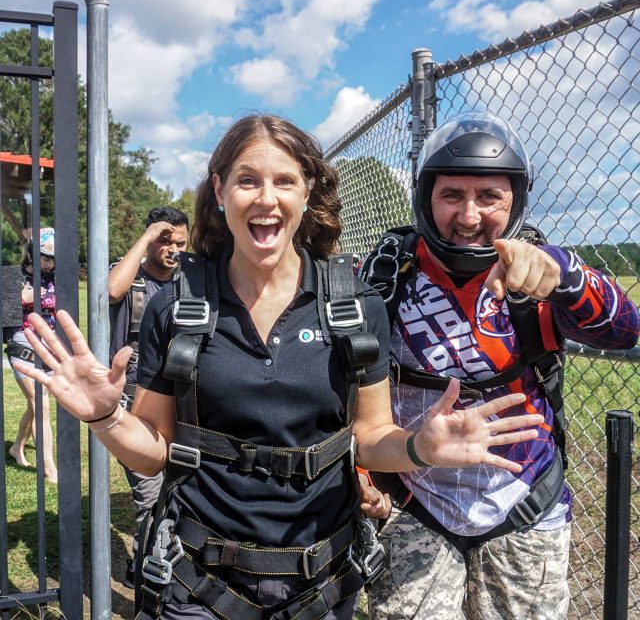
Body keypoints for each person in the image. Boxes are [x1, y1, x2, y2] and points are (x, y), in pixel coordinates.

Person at [14, 114, 545, 620]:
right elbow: (155, 452)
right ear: (220, 190)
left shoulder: (357, 308)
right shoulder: (178, 307)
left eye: (284, 181)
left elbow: (371, 433)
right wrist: (107, 417)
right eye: (248, 181)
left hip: (321, 582)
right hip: (199, 581)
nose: (266, 199)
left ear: (307, 191)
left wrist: (416, 448)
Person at [361, 111, 640, 620]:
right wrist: (363, 470)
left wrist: (566, 277)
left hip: (525, 503)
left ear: (515, 201)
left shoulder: (538, 275)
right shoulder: (387, 274)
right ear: (425, 198)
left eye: (488, 196)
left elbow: (624, 330)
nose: (469, 217)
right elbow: (345, 384)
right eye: (452, 196)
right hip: (415, 500)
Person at [108, 206, 189, 588]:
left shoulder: (189, 284)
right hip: (135, 403)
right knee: (150, 494)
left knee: (180, 493)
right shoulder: (133, 280)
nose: (173, 249)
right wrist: (145, 239)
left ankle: (150, 565)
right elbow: (111, 290)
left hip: (181, 402)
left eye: (180, 243)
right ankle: (150, 582)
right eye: (166, 240)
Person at [7, 227, 58, 484]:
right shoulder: (13, 277)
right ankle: (49, 469)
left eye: (53, 259)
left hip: (47, 350)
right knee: (42, 405)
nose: (50, 263)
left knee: (33, 405)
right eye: (46, 257)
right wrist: (24, 297)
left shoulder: (56, 278)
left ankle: (17, 448)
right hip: (22, 348)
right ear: (31, 254)